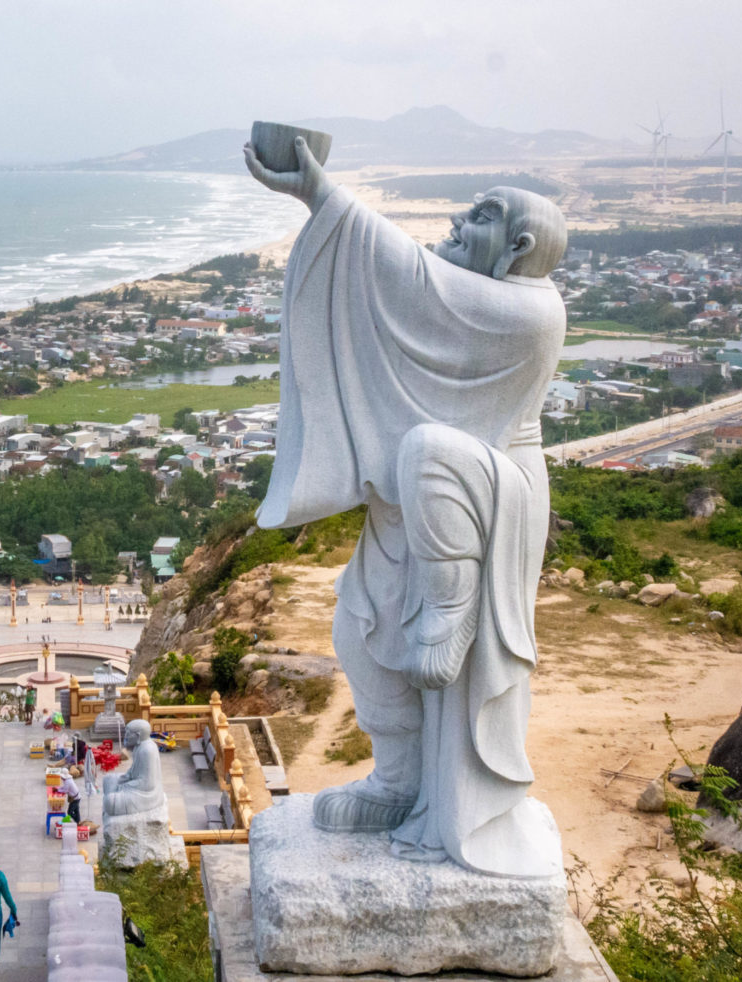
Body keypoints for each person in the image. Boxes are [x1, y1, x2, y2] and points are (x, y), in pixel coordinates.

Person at [244, 136, 567, 878]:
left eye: (481, 217)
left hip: (483, 497)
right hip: (419, 506)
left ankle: (450, 614)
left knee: (426, 447)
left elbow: (414, 280)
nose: (458, 220)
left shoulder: (532, 313)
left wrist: (326, 197)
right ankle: (399, 783)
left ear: (518, 247)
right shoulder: (497, 299)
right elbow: (421, 294)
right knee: (360, 629)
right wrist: (320, 198)